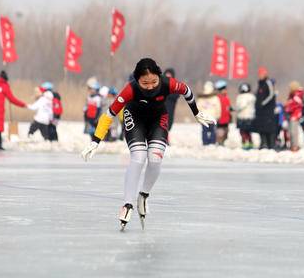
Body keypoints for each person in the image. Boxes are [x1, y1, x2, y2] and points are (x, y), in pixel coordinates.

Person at [81, 57, 215, 230]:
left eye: (154, 81)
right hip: (135, 119)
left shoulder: (169, 83)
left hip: (158, 119)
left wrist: (196, 112)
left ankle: (143, 195)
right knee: (138, 157)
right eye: (145, 83)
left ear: (159, 77)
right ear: (137, 80)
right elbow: (108, 115)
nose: (150, 86)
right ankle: (127, 204)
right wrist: (95, 140)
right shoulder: (130, 90)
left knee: (155, 158)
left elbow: (187, 91)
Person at [254, 66, 278, 150]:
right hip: (261, 111)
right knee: (261, 127)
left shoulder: (268, 82)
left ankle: (271, 144)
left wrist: (263, 103)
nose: (260, 75)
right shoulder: (260, 84)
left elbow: (271, 95)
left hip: (268, 110)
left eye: (262, 73)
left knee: (269, 128)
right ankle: (263, 144)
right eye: (259, 74)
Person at [284, 81, 304, 152]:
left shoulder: (297, 95)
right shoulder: (292, 94)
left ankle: (295, 146)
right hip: (291, 115)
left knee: (294, 131)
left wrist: (288, 105)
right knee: (290, 131)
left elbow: (296, 104)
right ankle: (292, 145)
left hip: (295, 115)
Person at [198, 81, 221, 146]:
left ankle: (205, 143)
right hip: (213, 117)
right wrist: (218, 116)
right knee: (213, 131)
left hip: (204, 117)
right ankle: (212, 143)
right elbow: (218, 108)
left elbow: (197, 108)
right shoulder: (215, 97)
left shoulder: (201, 97)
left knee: (204, 131)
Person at [235, 83, 256, 150]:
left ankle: (244, 143)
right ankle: (250, 143)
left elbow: (241, 106)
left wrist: (234, 109)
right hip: (250, 117)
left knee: (242, 132)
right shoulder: (252, 97)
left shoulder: (241, 97)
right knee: (248, 132)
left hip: (242, 117)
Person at [215, 80, 233, 146]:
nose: (226, 90)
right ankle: (220, 143)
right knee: (220, 133)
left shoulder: (226, 98)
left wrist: (230, 115)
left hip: (226, 119)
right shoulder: (217, 98)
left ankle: (222, 142)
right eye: (224, 89)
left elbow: (228, 108)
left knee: (226, 133)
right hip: (220, 119)